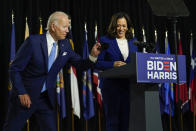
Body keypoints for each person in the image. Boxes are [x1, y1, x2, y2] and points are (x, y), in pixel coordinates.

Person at [3, 11, 100, 131]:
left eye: (68, 27)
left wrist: (92, 56)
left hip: (46, 99)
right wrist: (21, 92)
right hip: (25, 97)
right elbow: (15, 69)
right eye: (64, 27)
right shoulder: (33, 42)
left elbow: (80, 65)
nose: (67, 30)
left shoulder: (66, 45)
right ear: (53, 27)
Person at [95, 12, 138, 131]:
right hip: (111, 87)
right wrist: (113, 64)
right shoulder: (104, 40)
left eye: (124, 26)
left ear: (128, 27)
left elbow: (136, 62)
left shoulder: (134, 42)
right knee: (112, 122)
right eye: (118, 25)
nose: (121, 29)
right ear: (114, 26)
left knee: (126, 121)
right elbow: (97, 62)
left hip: (128, 87)